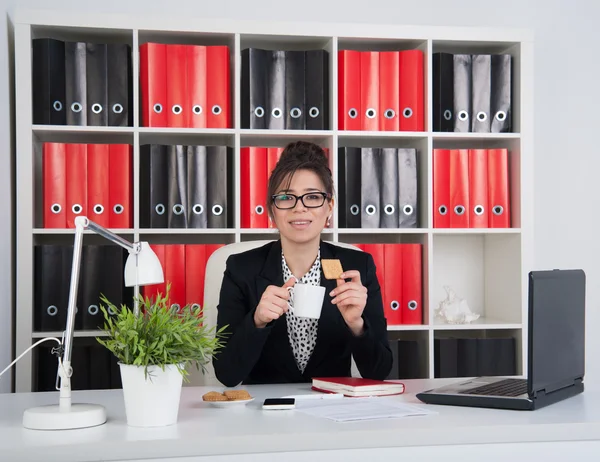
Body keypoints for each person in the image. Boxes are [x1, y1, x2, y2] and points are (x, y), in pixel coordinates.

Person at [212, 141, 392, 387]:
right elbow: (226, 374)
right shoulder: (241, 268)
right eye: (286, 198)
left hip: (331, 408)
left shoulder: (357, 266)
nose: (299, 208)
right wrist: (257, 321)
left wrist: (357, 325)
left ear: (329, 207)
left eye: (313, 197)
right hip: (263, 413)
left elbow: (379, 372)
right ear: (272, 210)